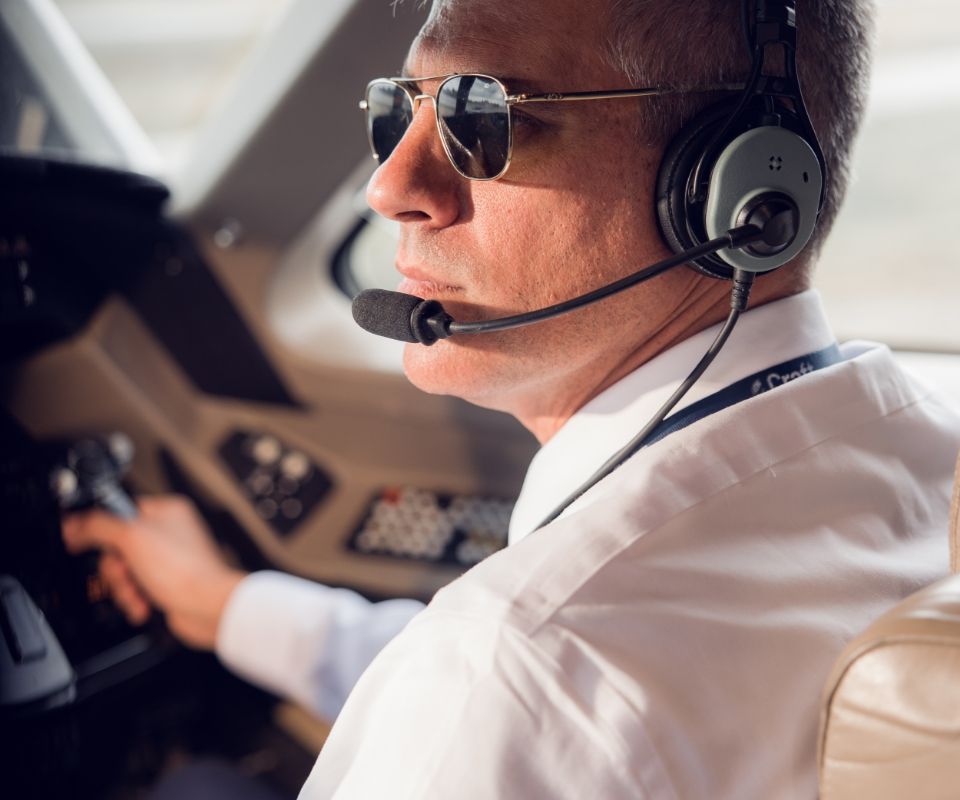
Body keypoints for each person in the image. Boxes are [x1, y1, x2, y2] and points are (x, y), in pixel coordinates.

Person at [62, 0, 960, 797]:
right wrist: (232, 608)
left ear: (736, 190)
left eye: (480, 117)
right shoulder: (922, 451)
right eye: (398, 110)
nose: (390, 186)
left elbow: (526, 697)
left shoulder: (518, 674)